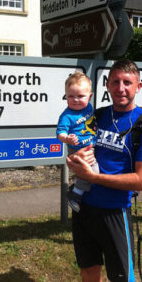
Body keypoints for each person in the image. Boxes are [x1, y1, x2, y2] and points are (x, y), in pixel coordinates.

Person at [66, 59, 142, 282]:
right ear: (107, 85)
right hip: (83, 209)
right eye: (115, 82)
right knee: (88, 270)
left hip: (115, 211)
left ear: (138, 86)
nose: (121, 88)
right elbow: (76, 147)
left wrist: (94, 177)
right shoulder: (96, 116)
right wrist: (75, 158)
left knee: (121, 277)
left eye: (127, 82)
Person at [57, 71, 99, 213]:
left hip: (91, 146)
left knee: (95, 174)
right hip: (77, 150)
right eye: (71, 96)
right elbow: (60, 133)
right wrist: (67, 138)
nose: (75, 100)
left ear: (90, 96)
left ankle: (76, 189)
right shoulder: (67, 115)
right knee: (93, 173)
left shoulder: (89, 108)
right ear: (66, 96)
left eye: (80, 96)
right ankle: (75, 195)